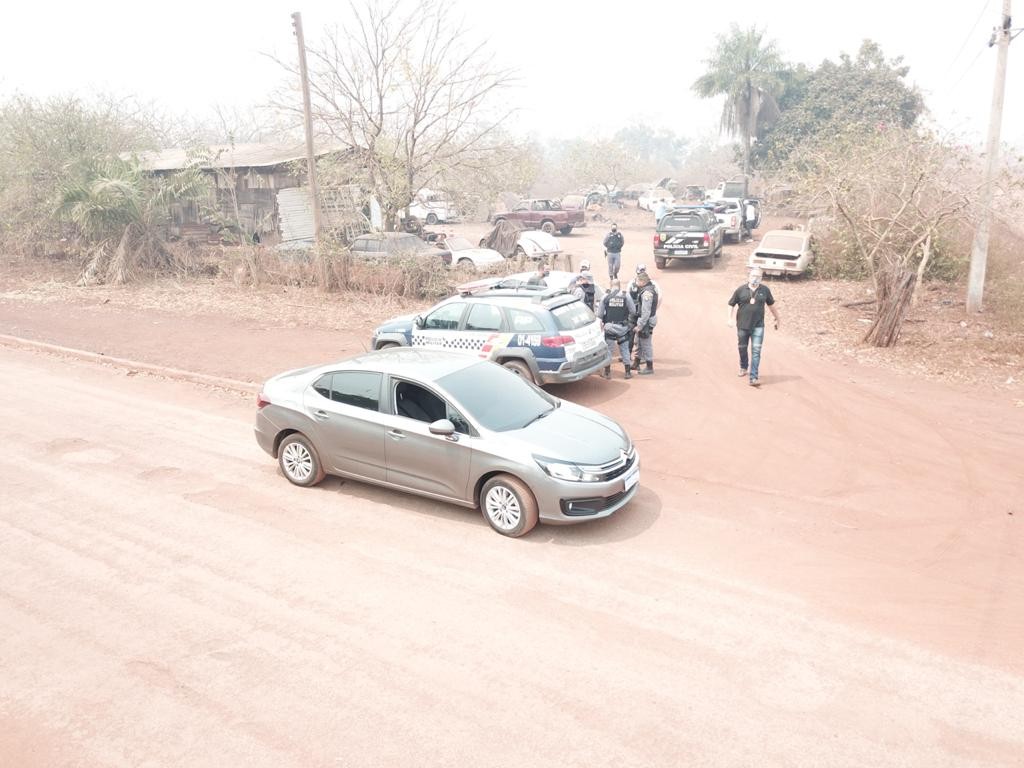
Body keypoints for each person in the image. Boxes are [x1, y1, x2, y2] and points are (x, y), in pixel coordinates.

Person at [727, 267, 780, 387]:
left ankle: (753, 377)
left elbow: (771, 305)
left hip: (758, 326)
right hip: (742, 325)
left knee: (756, 351)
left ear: (761, 278)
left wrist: (777, 318)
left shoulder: (765, 290)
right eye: (753, 275)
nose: (755, 278)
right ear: (748, 276)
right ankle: (743, 366)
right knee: (742, 348)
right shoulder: (741, 290)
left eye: (758, 276)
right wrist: (729, 318)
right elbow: (731, 304)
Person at [597, 279, 636, 379]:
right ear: (619, 286)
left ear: (611, 286)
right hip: (622, 328)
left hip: (609, 327)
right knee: (624, 349)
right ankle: (627, 372)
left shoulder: (605, 297)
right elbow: (633, 311)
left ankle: (607, 373)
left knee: (609, 349)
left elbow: (600, 315)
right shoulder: (625, 296)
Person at [631, 271, 658, 375]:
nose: (636, 282)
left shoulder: (647, 293)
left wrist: (640, 325)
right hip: (645, 320)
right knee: (638, 340)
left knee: (645, 343)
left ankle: (649, 366)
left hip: (646, 321)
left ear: (642, 281)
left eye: (637, 280)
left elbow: (646, 312)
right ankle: (636, 362)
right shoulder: (648, 288)